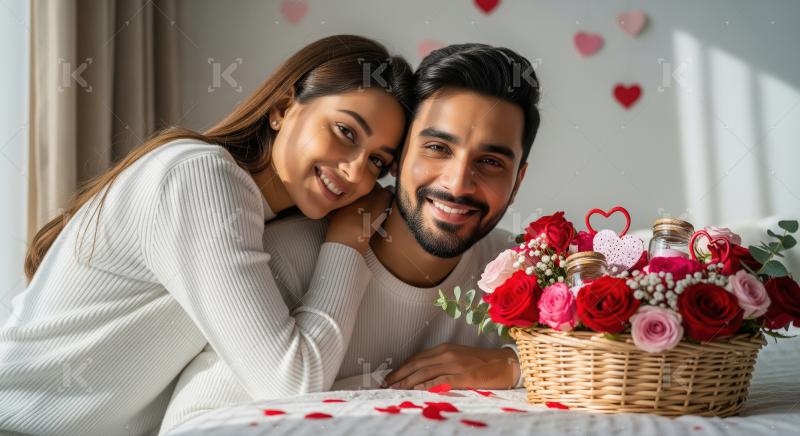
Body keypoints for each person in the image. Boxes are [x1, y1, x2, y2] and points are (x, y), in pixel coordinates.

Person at [0, 35, 414, 436]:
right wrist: (346, 244)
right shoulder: (201, 177)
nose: (357, 172)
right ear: (284, 108)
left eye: (378, 161)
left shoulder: (265, 216)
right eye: (345, 132)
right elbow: (292, 387)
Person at [160, 42, 541, 434]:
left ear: (517, 182)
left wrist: (512, 363)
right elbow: (195, 421)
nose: (458, 183)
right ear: (399, 156)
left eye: (491, 162)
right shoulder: (282, 259)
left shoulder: (523, 272)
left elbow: (604, 356)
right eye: (437, 148)